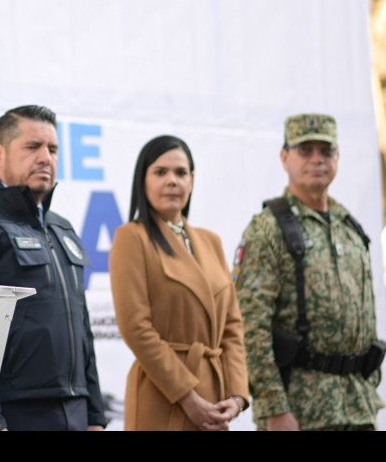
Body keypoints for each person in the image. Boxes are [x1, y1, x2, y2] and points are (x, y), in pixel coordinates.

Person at [0, 105, 106, 431]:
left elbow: (82, 327)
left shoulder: (63, 229)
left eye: (52, 149)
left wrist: (95, 416)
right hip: (17, 414)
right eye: (32, 147)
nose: (45, 158)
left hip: (77, 411)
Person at [234, 113, 383, 431]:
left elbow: (366, 317)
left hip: (357, 408)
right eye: (305, 150)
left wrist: (370, 387)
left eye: (326, 151)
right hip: (301, 411)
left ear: (338, 157)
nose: (317, 159)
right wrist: (274, 406)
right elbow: (250, 324)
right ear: (284, 157)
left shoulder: (350, 228)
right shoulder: (268, 228)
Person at [108, 135, 249, 431]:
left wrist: (237, 396)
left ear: (192, 181)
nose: (172, 181)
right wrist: (187, 396)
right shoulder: (131, 237)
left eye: (181, 173)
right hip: (163, 396)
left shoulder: (211, 241)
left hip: (215, 399)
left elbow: (232, 327)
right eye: (160, 172)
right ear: (143, 180)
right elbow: (136, 327)